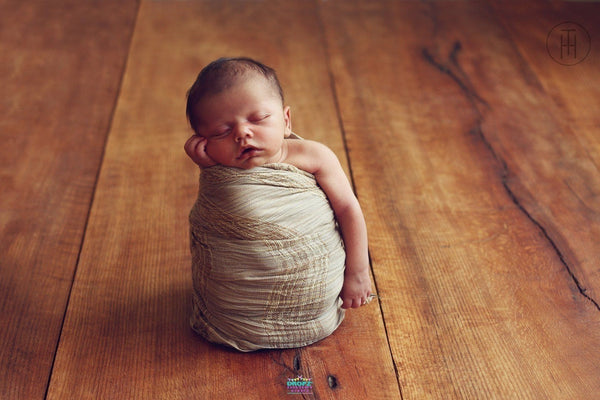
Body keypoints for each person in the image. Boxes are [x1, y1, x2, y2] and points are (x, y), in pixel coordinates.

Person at [184, 57, 372, 309]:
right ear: (203, 142)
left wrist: (357, 272)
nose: (242, 133)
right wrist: (209, 170)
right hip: (240, 301)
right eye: (221, 132)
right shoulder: (218, 170)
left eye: (258, 118)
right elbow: (223, 210)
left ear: (286, 121)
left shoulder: (314, 156)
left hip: (313, 287)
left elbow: (348, 209)